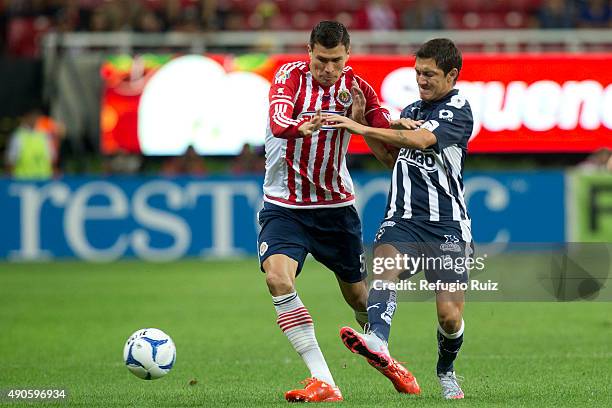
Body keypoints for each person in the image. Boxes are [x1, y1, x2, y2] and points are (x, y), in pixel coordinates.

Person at [257, 20, 400, 402]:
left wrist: (365, 123)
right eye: (321, 60)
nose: (328, 69)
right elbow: (278, 119)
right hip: (284, 207)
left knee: (358, 298)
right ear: (309, 52)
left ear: (347, 56)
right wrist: (301, 127)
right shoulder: (289, 75)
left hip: (335, 210)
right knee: (278, 280)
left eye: (336, 60)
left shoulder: (355, 86)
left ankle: (384, 352)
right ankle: (324, 380)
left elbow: (383, 125)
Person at [324, 38, 474, 400]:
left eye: (430, 74)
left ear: (452, 74)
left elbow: (422, 141)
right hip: (403, 218)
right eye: (418, 72)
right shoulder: (412, 108)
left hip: (447, 226)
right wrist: (361, 124)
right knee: (386, 264)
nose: (421, 80)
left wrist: (359, 128)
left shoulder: (458, 108)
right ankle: (377, 338)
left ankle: (446, 370)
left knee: (449, 317)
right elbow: (396, 161)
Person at [5, 108, 55, 179]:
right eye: (32, 116)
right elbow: (10, 161)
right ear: (26, 118)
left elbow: (51, 159)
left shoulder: (44, 135)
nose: (34, 119)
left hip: (43, 181)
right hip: (23, 182)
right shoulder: (18, 136)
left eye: (36, 117)